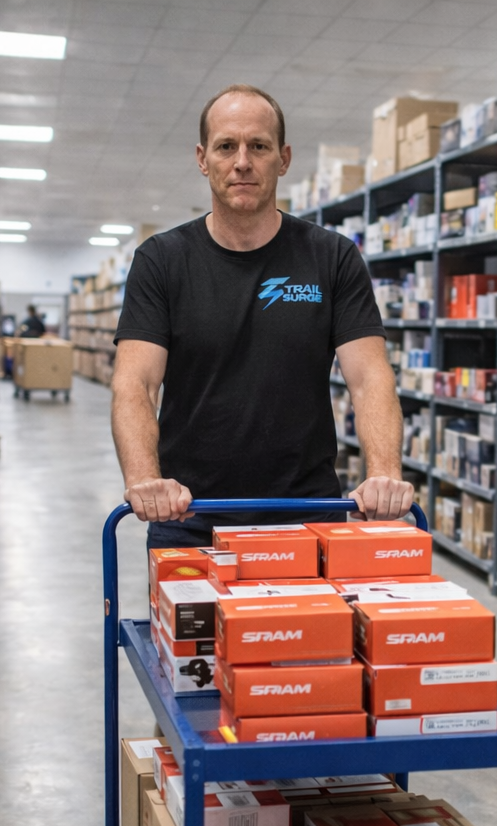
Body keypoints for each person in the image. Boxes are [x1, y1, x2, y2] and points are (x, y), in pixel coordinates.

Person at [111, 83, 413, 548]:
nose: (242, 162)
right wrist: (146, 480)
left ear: (284, 158)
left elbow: (370, 377)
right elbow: (136, 383)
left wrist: (385, 475)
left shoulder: (331, 257)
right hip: (189, 515)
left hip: (308, 514)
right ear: (202, 157)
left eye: (259, 146)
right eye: (226, 146)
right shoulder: (161, 260)